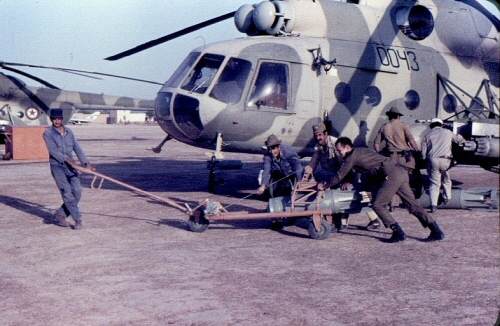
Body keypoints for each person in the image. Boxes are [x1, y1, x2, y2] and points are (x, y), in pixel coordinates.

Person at [319, 137, 445, 243]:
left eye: (339, 150)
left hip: (392, 174)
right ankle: (436, 230)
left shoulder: (351, 157)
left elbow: (339, 176)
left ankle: (398, 232)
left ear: (347, 147)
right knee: (412, 205)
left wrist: (324, 186)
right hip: (400, 172)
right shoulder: (360, 151)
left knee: (378, 205)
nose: (338, 153)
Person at [303, 123, 381, 230]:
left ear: (326, 134)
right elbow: (314, 161)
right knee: (337, 196)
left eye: (320, 135)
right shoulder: (319, 147)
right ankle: (342, 223)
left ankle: (374, 219)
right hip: (335, 177)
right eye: (315, 135)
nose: (318, 138)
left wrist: (349, 180)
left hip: (347, 174)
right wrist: (308, 170)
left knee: (352, 195)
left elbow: (350, 163)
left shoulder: (337, 144)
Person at [43, 109, 95, 230]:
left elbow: (77, 147)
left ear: (62, 119)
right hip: (57, 166)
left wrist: (86, 162)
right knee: (67, 193)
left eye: (59, 119)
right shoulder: (48, 133)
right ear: (51, 119)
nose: (57, 121)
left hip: (71, 166)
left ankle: (60, 214)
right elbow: (53, 151)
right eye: (54, 119)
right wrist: (68, 160)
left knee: (77, 191)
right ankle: (77, 219)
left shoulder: (69, 132)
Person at [374, 106, 422, 206]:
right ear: (398, 116)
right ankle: (411, 203)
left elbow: (376, 143)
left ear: (389, 116)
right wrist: (417, 151)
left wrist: (379, 154)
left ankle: (392, 203)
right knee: (407, 180)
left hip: (391, 158)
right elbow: (411, 141)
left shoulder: (384, 126)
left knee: (393, 179)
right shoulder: (403, 126)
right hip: (404, 157)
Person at [421, 118, 465, 213]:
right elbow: (459, 140)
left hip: (432, 160)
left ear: (431, 125)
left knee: (434, 183)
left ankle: (433, 205)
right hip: (446, 159)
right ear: (441, 125)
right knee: (446, 180)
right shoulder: (447, 132)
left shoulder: (427, 135)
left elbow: (423, 155)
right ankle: (447, 197)